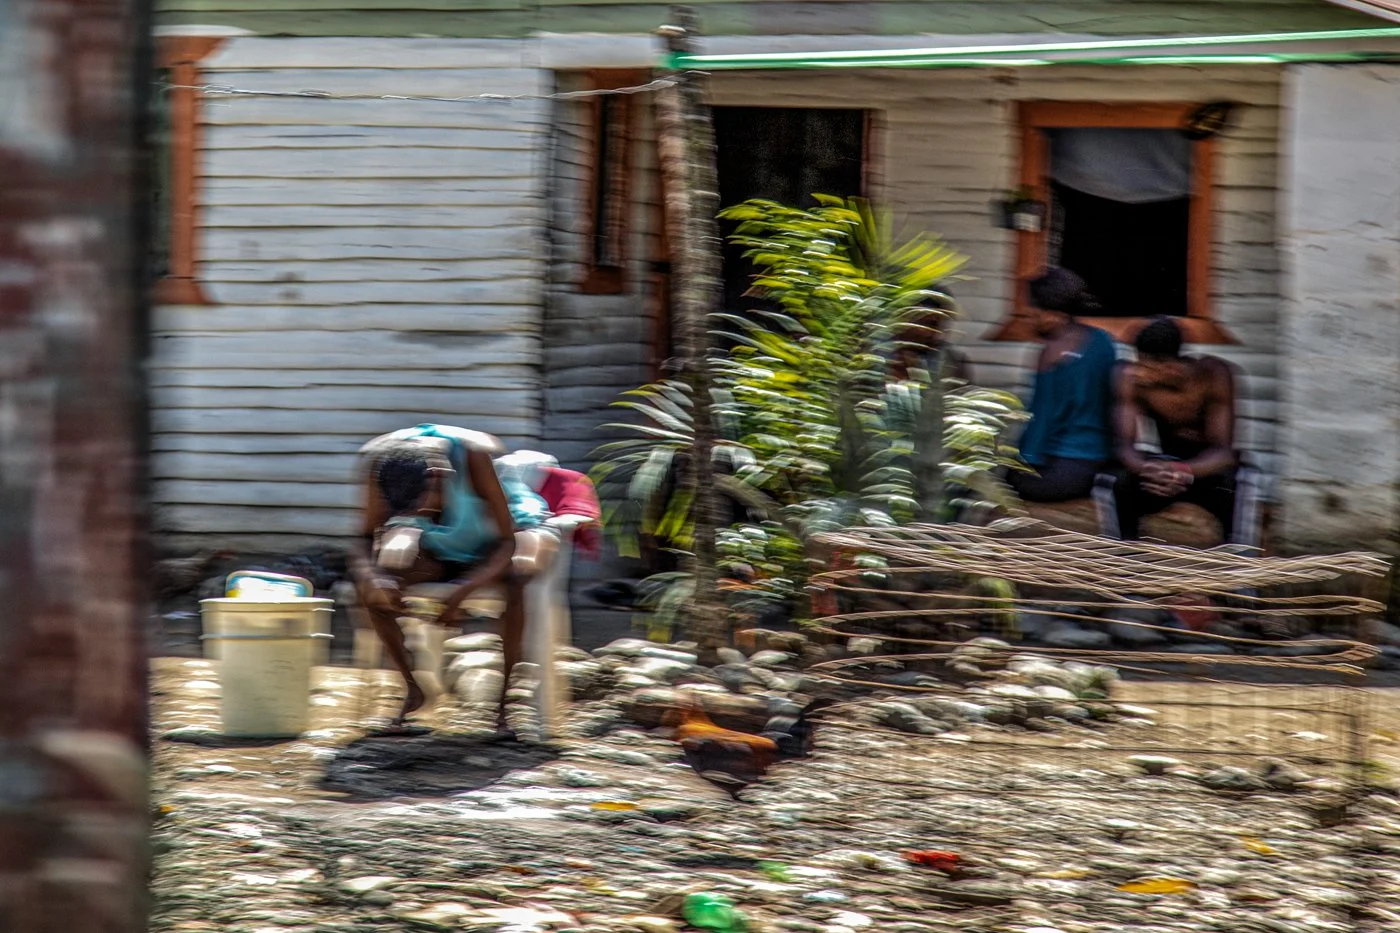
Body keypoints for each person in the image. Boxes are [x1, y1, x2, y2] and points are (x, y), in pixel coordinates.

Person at [349, 424, 557, 736]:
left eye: (429, 505)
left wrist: (462, 592)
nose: (425, 513)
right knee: (372, 590)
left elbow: (507, 542)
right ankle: (413, 688)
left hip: (498, 539)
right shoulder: (383, 466)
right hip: (445, 545)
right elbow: (363, 538)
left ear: (438, 475)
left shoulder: (474, 456)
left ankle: (504, 705)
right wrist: (375, 578)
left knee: (519, 577)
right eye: (414, 511)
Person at [1096, 316, 1260, 546]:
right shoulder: (1129, 380)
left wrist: (1181, 471)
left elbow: (1225, 453)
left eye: (1146, 366)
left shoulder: (1214, 375)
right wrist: (1148, 469)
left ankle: (1240, 572)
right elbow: (1123, 446)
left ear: (1171, 368)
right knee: (1114, 480)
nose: (1137, 372)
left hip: (1206, 471)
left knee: (1241, 482)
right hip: (1164, 469)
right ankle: (1126, 563)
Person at [1007, 267, 1118, 502]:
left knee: (1010, 480)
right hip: (1100, 459)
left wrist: (1023, 463)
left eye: (1033, 312)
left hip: (1066, 468)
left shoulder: (1050, 355)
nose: (1030, 318)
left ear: (1053, 315)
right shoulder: (1103, 341)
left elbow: (1041, 421)